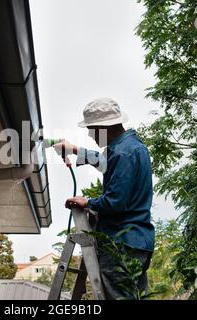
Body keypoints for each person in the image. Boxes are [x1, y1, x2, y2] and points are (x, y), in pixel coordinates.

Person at [53, 97, 155, 300]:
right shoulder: (130, 146)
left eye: (91, 129)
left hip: (122, 243)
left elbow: (115, 202)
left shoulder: (123, 154)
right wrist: (74, 149)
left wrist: (88, 202)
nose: (90, 135)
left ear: (104, 127)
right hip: (138, 241)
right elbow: (104, 160)